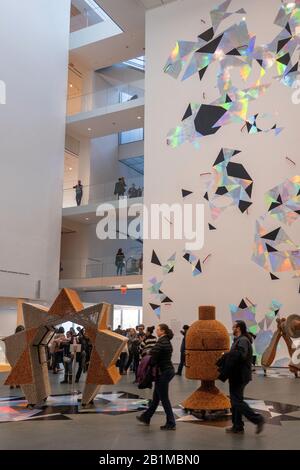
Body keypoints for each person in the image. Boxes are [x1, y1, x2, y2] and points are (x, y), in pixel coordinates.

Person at [226, 320, 265, 435]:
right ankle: (238, 426)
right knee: (236, 401)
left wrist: (228, 355)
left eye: (233, 327)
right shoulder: (239, 340)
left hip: (239, 375)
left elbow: (241, 355)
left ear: (238, 328)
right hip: (236, 375)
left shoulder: (242, 340)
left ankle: (258, 419)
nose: (232, 329)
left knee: (236, 401)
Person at [136, 323, 176, 430]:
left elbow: (153, 358)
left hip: (163, 372)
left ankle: (171, 423)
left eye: (158, 330)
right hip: (167, 371)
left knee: (164, 399)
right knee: (156, 398)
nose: (156, 331)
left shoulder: (162, 342)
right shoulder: (166, 341)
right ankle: (146, 417)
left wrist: (149, 354)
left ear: (163, 331)